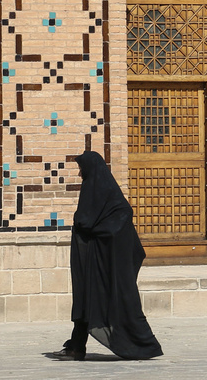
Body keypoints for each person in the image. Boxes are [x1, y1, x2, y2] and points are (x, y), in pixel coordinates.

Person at [48, 150, 164, 361]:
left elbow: (109, 224)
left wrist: (92, 231)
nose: (80, 173)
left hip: (106, 264)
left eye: (82, 169)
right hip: (90, 261)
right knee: (84, 301)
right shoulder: (93, 190)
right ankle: (76, 347)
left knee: (115, 302)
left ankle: (144, 346)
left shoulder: (114, 202)